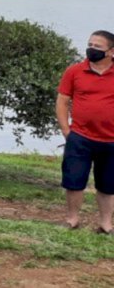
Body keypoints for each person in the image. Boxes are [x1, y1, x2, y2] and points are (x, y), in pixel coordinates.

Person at [56, 30, 114, 234]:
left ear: (111, 51)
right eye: (90, 44)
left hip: (110, 140)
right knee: (74, 181)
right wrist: (66, 131)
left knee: (108, 185)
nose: (92, 49)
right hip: (80, 137)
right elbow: (63, 101)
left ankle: (106, 225)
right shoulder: (74, 71)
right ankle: (72, 219)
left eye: (98, 46)